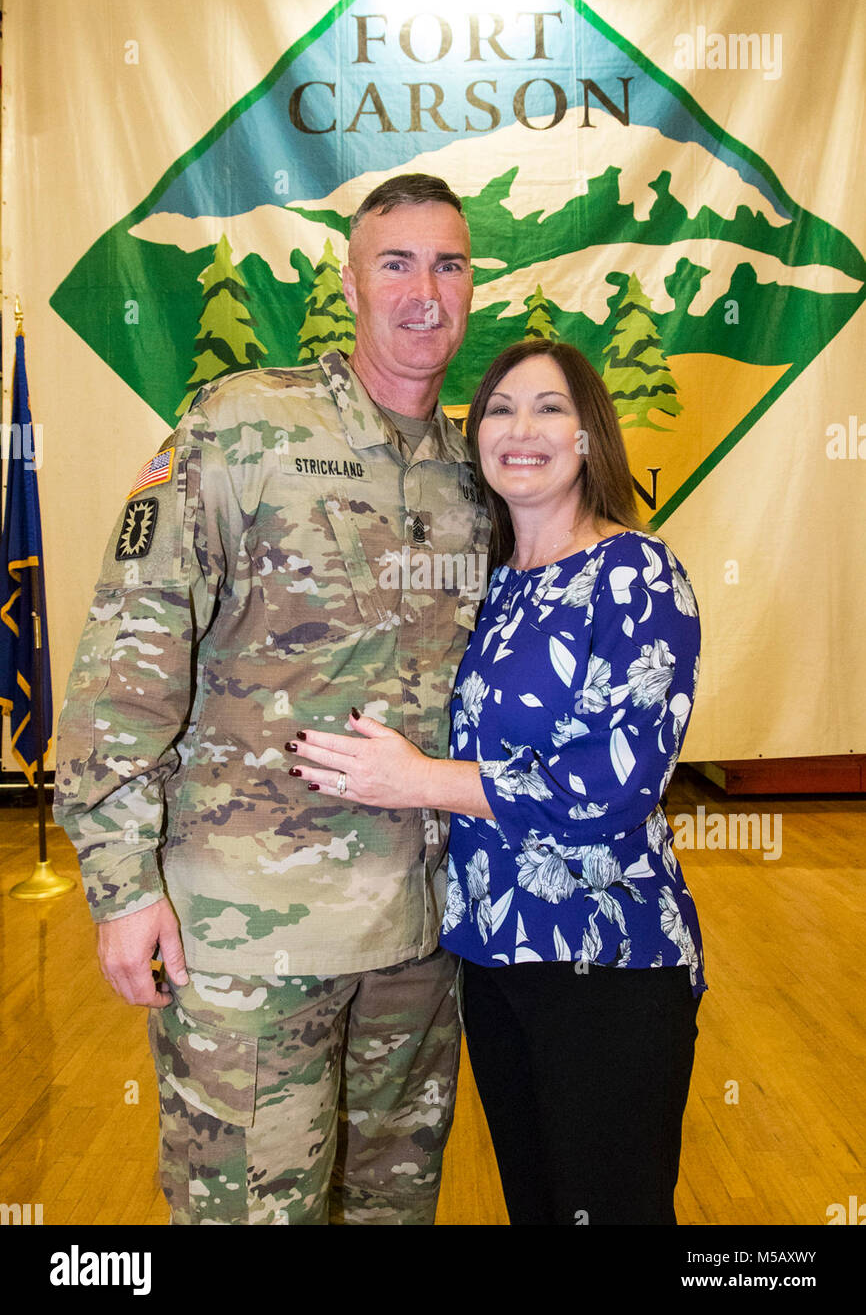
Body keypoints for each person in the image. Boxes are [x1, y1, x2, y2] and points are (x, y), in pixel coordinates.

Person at [52, 172, 489, 1225]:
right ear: (350, 280)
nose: (422, 290)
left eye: (448, 264)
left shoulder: (476, 471)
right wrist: (120, 881)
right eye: (395, 262)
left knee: (391, 1209)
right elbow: (130, 646)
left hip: (419, 942)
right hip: (247, 938)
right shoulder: (245, 426)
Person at [289, 337, 706, 1226]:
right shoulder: (491, 583)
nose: (522, 429)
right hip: (493, 950)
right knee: (541, 1207)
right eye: (501, 411)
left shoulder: (637, 572)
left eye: (550, 408)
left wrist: (419, 781)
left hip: (606, 956)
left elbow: (615, 787)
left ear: (590, 435)